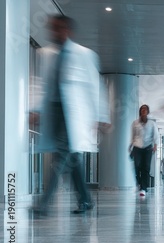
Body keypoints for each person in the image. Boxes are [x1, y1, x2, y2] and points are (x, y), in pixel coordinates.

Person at [33, 15, 102, 214]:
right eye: (52, 28)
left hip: (72, 113)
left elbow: (94, 86)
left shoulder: (84, 54)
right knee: (73, 159)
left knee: (60, 155)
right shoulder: (45, 54)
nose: (54, 32)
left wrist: (100, 116)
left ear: (68, 30)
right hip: (53, 111)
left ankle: (44, 203)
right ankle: (86, 200)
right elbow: (41, 85)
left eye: (58, 28)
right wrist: (36, 109)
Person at [129, 104, 159, 197]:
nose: (143, 111)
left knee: (146, 168)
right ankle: (139, 183)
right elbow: (132, 135)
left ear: (148, 112)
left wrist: (155, 146)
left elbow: (156, 135)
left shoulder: (152, 124)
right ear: (140, 112)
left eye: (145, 110)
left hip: (148, 148)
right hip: (137, 147)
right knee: (137, 166)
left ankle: (143, 188)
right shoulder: (135, 123)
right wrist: (130, 145)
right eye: (142, 110)